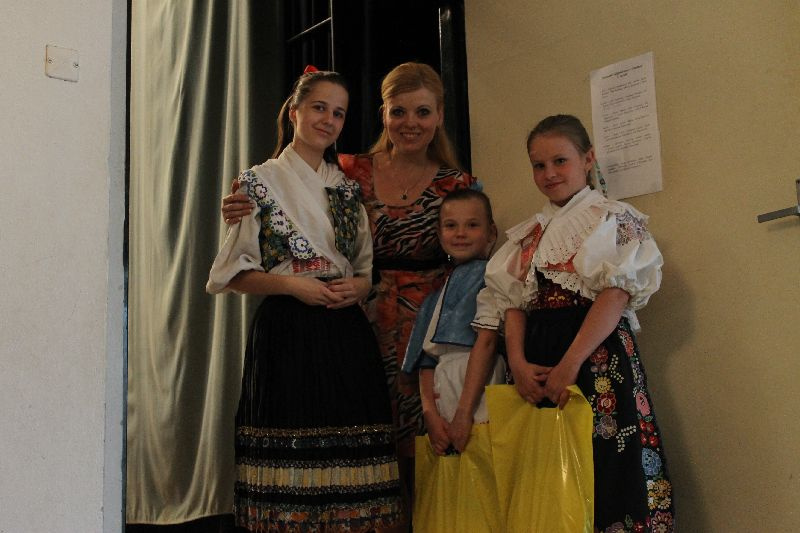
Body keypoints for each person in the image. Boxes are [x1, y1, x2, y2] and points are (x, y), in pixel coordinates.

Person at [221, 62, 478, 522]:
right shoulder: (346, 173)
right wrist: (235, 204)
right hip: (347, 320)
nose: (411, 122)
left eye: (423, 112)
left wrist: (361, 283)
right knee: (324, 453)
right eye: (399, 111)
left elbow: (470, 252)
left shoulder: (447, 184)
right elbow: (272, 213)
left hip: (417, 326)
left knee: (417, 449)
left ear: (439, 115)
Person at [206, 69, 401, 532]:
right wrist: (294, 286)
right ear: (294, 112)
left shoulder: (347, 188)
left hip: (344, 328)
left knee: (349, 450)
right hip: (288, 329)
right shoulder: (257, 183)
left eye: (339, 113)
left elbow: (363, 268)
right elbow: (234, 275)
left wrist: (360, 287)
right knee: (291, 446)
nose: (328, 120)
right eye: (319, 108)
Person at [476, 115, 674, 532]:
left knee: (605, 461)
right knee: (543, 471)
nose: (549, 173)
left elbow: (615, 295)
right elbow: (513, 304)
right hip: (537, 358)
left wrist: (571, 364)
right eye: (539, 165)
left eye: (560, 161)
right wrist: (517, 363)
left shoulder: (612, 219)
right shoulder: (528, 235)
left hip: (594, 356)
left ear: (587, 159)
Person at [400, 188, 506, 531]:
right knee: (450, 486)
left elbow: (486, 344)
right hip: (443, 392)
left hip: (478, 387)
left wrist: (464, 413)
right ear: (439, 232)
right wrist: (430, 414)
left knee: (483, 481)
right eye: (451, 225)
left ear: (490, 232)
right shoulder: (434, 297)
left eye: (472, 225)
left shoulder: (494, 279)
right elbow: (426, 361)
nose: (460, 233)